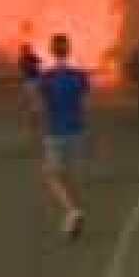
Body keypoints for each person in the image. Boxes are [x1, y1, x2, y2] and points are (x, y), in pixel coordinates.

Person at [36, 33, 90, 240]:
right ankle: (74, 213)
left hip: (55, 131)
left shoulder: (47, 78)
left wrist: (38, 128)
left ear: (51, 50)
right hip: (77, 130)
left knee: (52, 175)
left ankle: (72, 210)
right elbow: (84, 102)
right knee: (70, 175)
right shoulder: (79, 76)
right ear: (68, 50)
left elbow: (42, 106)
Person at [17, 42, 42, 118]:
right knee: (31, 96)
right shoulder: (24, 58)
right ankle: (33, 110)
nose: (26, 51)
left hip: (34, 79)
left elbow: (39, 61)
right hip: (30, 79)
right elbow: (23, 68)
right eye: (25, 50)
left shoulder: (31, 57)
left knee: (33, 96)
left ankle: (34, 111)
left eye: (27, 49)